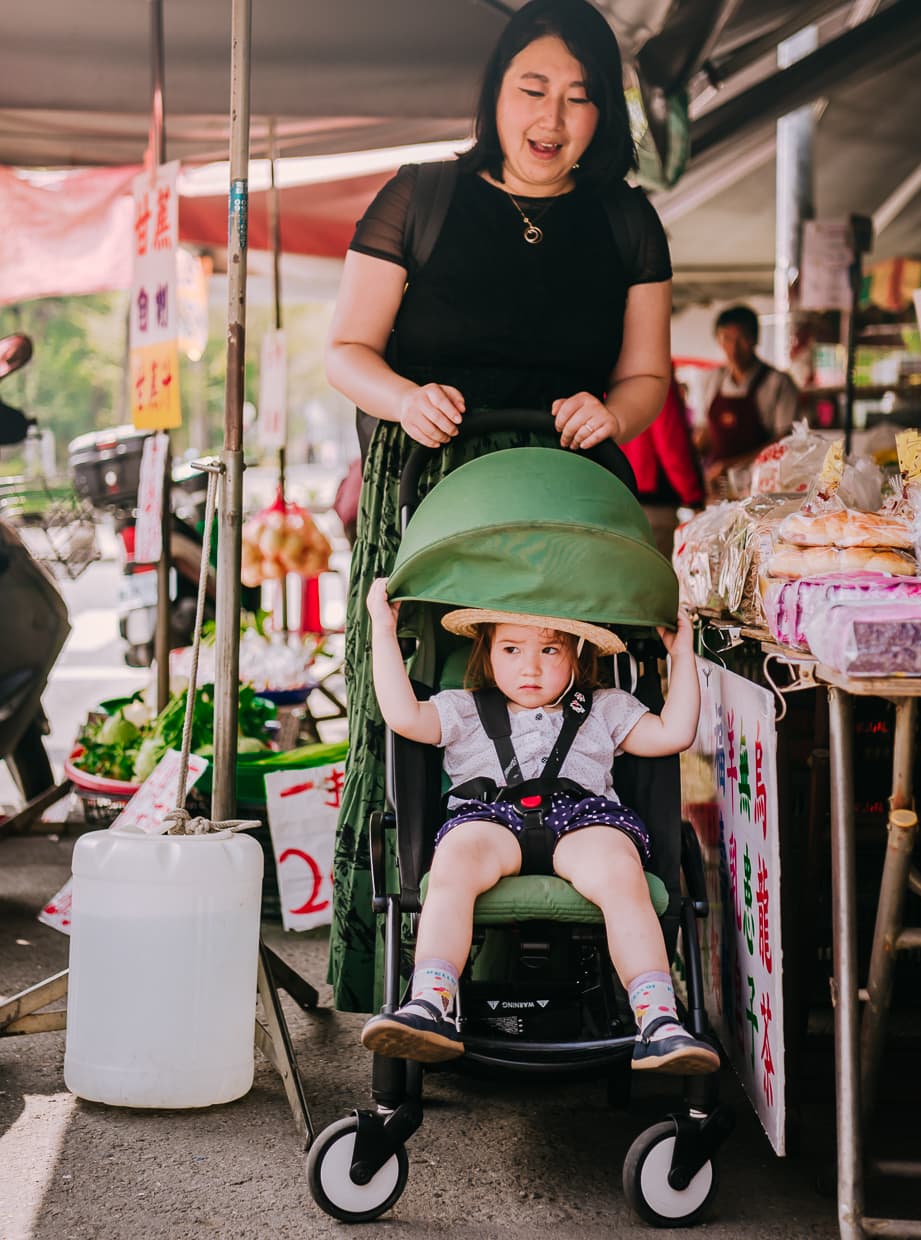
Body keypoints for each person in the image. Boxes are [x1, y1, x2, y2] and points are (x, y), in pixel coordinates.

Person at [325, 0, 673, 1013]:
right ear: (496, 93)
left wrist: (610, 411)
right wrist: (405, 397)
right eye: (534, 89)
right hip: (429, 495)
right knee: (417, 715)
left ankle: (587, 964)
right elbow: (348, 349)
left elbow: (647, 377)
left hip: (571, 502)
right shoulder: (420, 196)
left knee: (564, 712)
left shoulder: (625, 219)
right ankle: (410, 970)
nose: (554, 116)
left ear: (605, 114)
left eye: (580, 97)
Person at [360, 578, 719, 1073]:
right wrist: (383, 628)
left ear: (576, 654)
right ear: (487, 652)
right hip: (490, 816)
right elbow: (402, 716)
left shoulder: (606, 706)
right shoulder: (462, 707)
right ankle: (429, 1003)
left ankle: (659, 1020)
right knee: (454, 863)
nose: (530, 667)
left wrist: (682, 655)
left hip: (583, 818)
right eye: (511, 648)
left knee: (620, 872)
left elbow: (674, 733)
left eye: (550, 649)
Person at [695, 304, 800, 486]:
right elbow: (705, 435)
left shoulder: (777, 382)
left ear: (755, 339)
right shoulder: (712, 380)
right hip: (717, 483)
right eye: (726, 339)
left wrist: (731, 465)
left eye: (741, 339)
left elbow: (784, 441)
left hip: (763, 483)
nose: (733, 348)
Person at [621, 374, 704, 557]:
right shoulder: (653, 376)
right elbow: (670, 443)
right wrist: (694, 497)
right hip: (655, 503)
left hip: (623, 496)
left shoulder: (614, 372)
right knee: (655, 579)